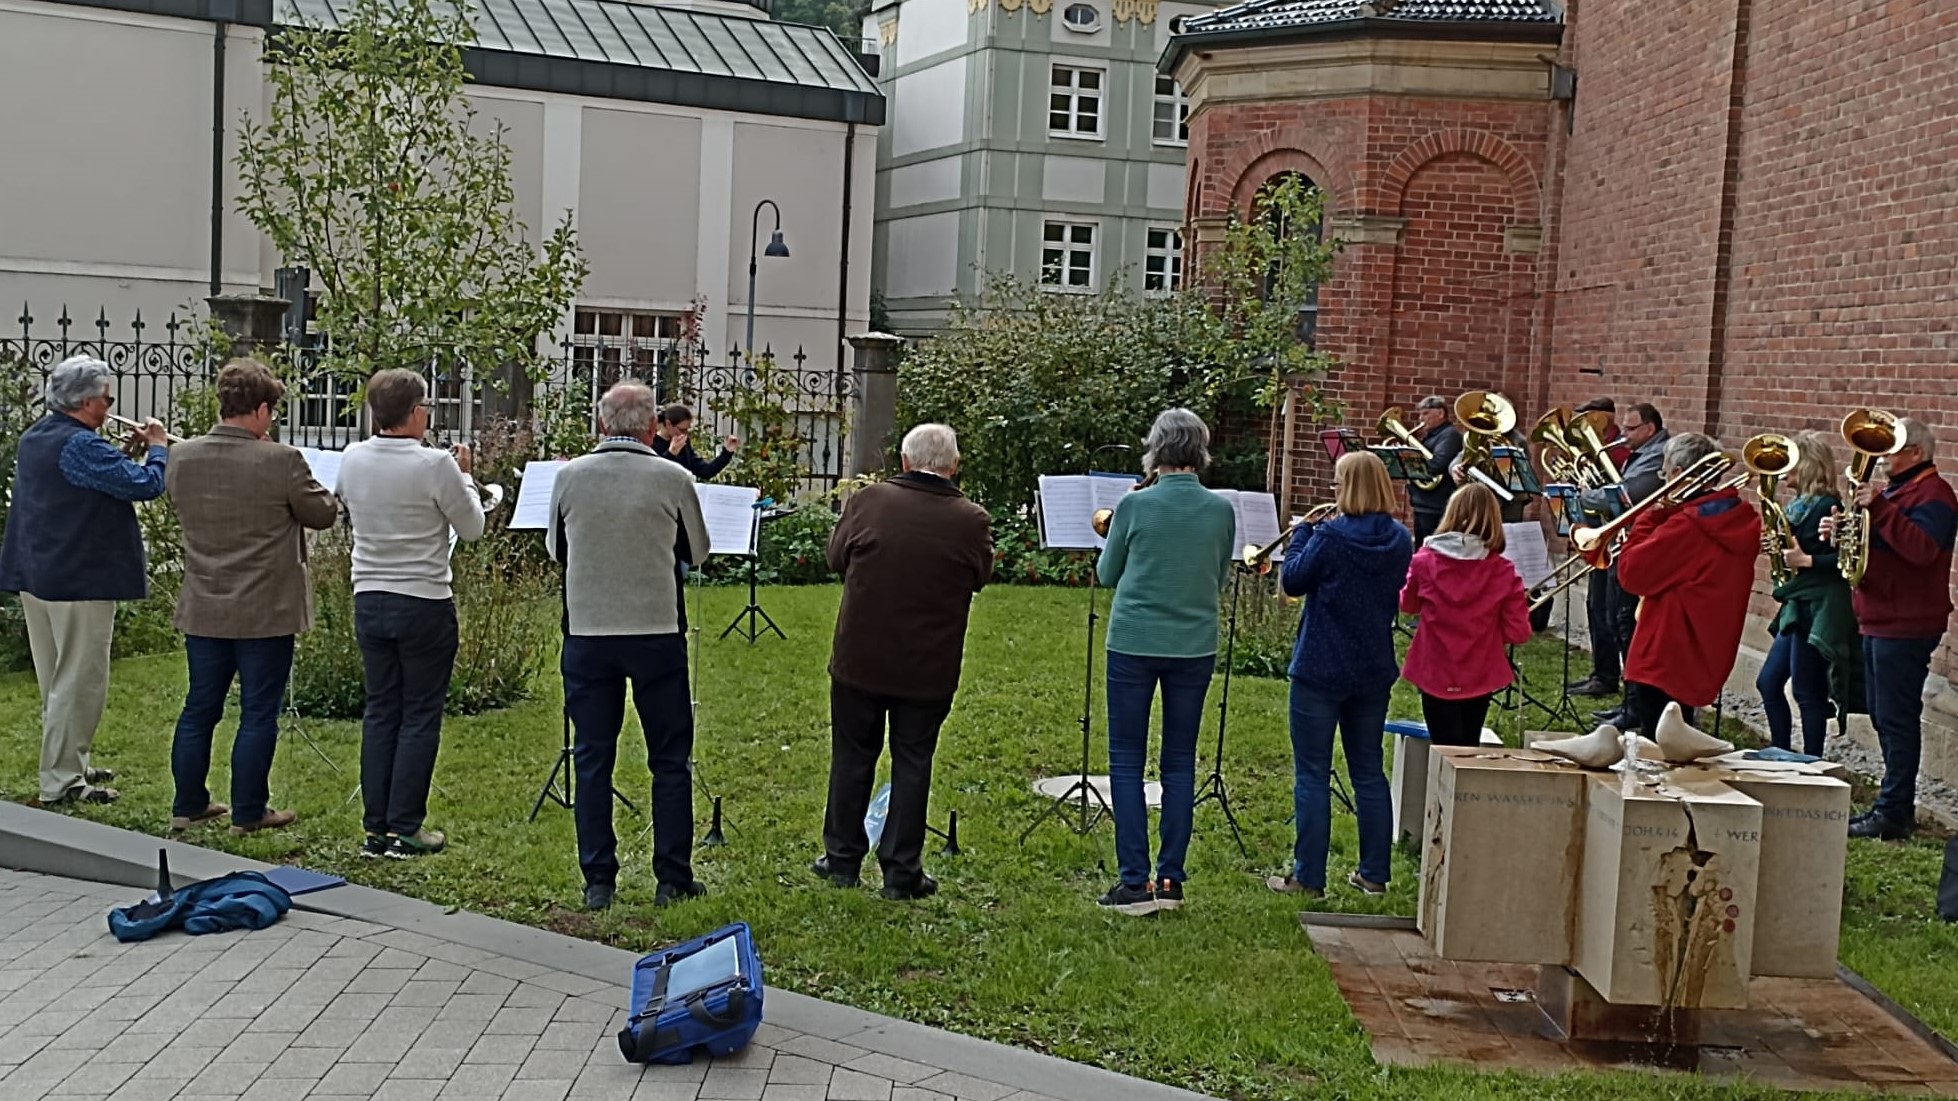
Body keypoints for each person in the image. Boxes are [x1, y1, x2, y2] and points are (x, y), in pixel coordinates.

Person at [549, 380, 711, 911]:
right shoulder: (672, 476)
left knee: (592, 755)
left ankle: (598, 879)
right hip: (656, 630)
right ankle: (672, 876)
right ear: (650, 427)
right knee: (669, 757)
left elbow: (557, 549)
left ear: (601, 425)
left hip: (589, 632)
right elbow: (699, 551)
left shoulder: (569, 477)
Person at [813, 424, 992, 901]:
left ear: (906, 462)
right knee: (913, 761)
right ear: (953, 466)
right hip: (927, 666)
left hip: (861, 658)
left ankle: (842, 859)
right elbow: (981, 575)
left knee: (852, 756)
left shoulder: (869, 502)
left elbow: (835, 559)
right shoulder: (970, 519)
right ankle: (900, 870)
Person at [165, 360, 338, 836]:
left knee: (200, 705)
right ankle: (248, 811)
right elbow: (322, 513)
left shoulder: (182, 456)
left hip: (204, 600)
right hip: (266, 608)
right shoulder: (281, 460)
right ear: (261, 409)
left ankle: (187, 803)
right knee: (259, 711)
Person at [0, 355, 168, 806]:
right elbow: (145, 486)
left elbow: (93, 479)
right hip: (80, 579)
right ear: (87, 400)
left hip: (40, 574)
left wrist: (126, 453)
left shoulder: (37, 435)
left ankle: (70, 760)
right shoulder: (80, 445)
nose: (111, 405)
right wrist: (157, 447)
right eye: (108, 398)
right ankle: (62, 782)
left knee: (56, 677)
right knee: (79, 680)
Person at [337, 369, 487, 860]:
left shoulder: (352, 457)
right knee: (420, 713)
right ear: (415, 411)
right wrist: (465, 477)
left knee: (381, 709)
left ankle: (375, 828)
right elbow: (472, 529)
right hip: (422, 597)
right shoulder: (435, 464)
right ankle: (406, 826)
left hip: (370, 594)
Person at [1094, 409, 1236, 916]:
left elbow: (1108, 574)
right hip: (1194, 644)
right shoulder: (1222, 511)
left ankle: (1134, 882)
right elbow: (1218, 579)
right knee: (1179, 761)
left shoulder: (1134, 506)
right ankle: (1171, 880)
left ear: (1156, 450)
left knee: (1127, 761)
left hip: (1134, 639)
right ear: (1200, 451)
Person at [1267, 450, 1412, 899]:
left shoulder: (1329, 536)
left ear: (1348, 487)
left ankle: (1308, 877)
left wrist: (1301, 534)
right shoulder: (1402, 539)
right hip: (1372, 667)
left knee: (1312, 772)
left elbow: (1292, 581)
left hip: (1320, 666)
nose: (1332, 490)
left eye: (1336, 482)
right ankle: (1374, 875)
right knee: (1368, 770)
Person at [1820, 417, 1956, 840]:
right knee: (1883, 715)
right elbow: (1877, 545)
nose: (1881, 460)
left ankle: (1894, 812)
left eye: (1892, 451)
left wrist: (1877, 508)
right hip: (1880, 615)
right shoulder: (1896, 491)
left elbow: (1921, 550)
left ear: (1916, 453)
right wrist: (1842, 532)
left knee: (1897, 719)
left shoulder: (1935, 495)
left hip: (1907, 622)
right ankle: (1892, 804)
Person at [1614, 432, 1760, 739]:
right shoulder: (1734, 515)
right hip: (1699, 648)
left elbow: (1632, 574)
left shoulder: (1688, 524)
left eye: (1663, 473)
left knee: (1658, 749)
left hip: (1665, 653)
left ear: (1679, 474)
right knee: (1679, 741)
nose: (1662, 480)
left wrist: (1645, 520)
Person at [1399, 483, 1533, 746]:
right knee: (1468, 745)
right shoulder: (1503, 570)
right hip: (1480, 672)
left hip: (1435, 668)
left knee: (1442, 747)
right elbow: (1519, 632)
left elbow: (1408, 605)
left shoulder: (1424, 561)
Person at [1756, 430, 1859, 757]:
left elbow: (1846, 560)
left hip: (1820, 604)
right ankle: (1781, 751)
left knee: (1807, 690)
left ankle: (1812, 762)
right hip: (1799, 601)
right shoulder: (1800, 506)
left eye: (1790, 463)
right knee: (1769, 682)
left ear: (1808, 465)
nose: (1784, 471)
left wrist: (1806, 559)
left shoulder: (1829, 506)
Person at [1583, 402, 1670, 727]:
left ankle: (1635, 708)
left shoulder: (1655, 455)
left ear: (1649, 429)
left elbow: (1626, 495)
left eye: (1631, 429)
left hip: (1636, 548)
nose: (1624, 435)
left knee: (1625, 624)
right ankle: (1627, 701)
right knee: (1613, 618)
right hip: (1623, 543)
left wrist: (1583, 496)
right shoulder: (1641, 452)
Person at [1566, 398, 1624, 699]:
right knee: (1595, 605)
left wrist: (1586, 494)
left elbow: (1618, 494)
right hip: (1598, 534)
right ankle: (1601, 673)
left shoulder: (1620, 450)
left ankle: (1608, 676)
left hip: (1615, 538)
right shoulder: (1598, 450)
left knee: (1606, 610)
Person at [1407, 395, 1461, 543]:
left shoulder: (1449, 435)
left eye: (1425, 413)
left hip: (1435, 505)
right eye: (1420, 414)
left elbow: (1437, 465)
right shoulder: (1433, 436)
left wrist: (1410, 462)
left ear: (1440, 413)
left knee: (1429, 548)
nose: (1421, 419)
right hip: (1424, 502)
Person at [651, 404, 740, 481]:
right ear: (668, 424)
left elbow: (704, 471)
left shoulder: (684, 443)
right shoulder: (651, 442)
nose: (685, 433)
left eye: (687, 430)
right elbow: (655, 474)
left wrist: (727, 452)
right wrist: (671, 454)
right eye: (682, 430)